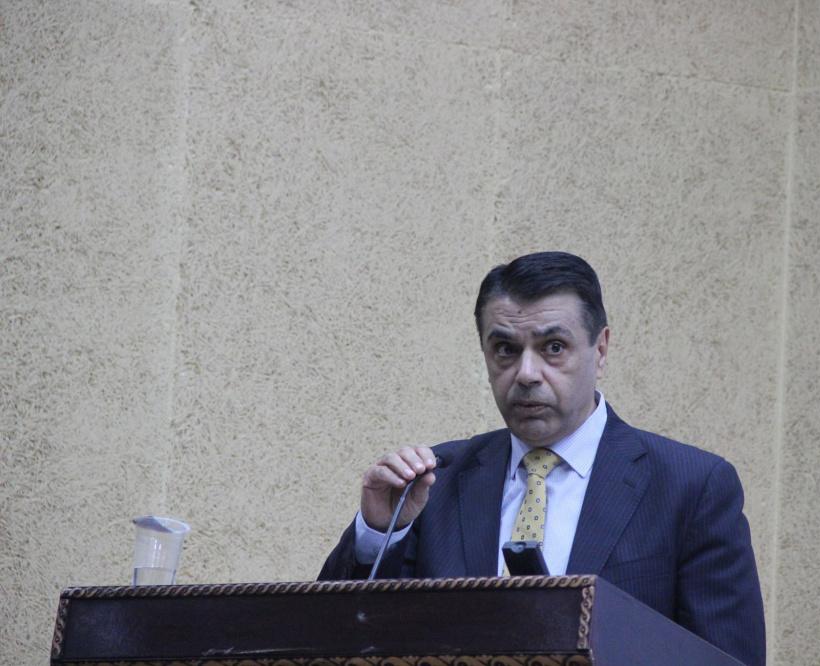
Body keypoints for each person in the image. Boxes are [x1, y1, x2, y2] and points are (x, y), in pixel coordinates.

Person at [319, 251, 765, 665]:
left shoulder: (691, 487)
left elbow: (727, 659)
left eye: (553, 347)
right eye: (506, 350)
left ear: (600, 350)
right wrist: (380, 531)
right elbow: (331, 640)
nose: (527, 374)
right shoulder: (434, 482)